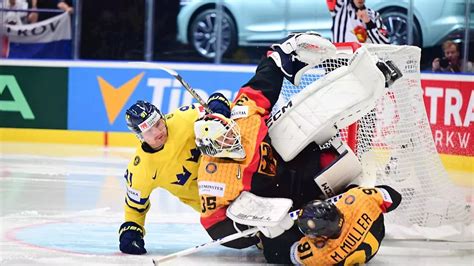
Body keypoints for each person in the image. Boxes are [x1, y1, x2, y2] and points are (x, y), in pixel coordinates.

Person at [193, 32, 401, 263]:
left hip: (279, 181)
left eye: (229, 133)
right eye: (224, 142)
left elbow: (259, 85)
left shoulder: (314, 253)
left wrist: (280, 55)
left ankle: (280, 226)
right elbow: (215, 224)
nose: (233, 139)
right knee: (277, 238)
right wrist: (251, 224)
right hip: (266, 192)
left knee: (278, 244)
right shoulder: (215, 178)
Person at [117, 95, 232, 255]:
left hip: (235, 177)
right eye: (149, 130)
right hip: (217, 209)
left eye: (157, 123)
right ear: (139, 136)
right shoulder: (141, 171)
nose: (158, 132)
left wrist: (219, 107)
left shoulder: (184, 118)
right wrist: (132, 232)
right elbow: (135, 208)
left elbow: (230, 111)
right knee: (238, 239)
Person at [291, 185, 402, 265]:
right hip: (377, 233)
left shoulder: (317, 255)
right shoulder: (359, 198)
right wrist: (372, 191)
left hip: (361, 258)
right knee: (352, 186)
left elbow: (294, 255)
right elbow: (396, 197)